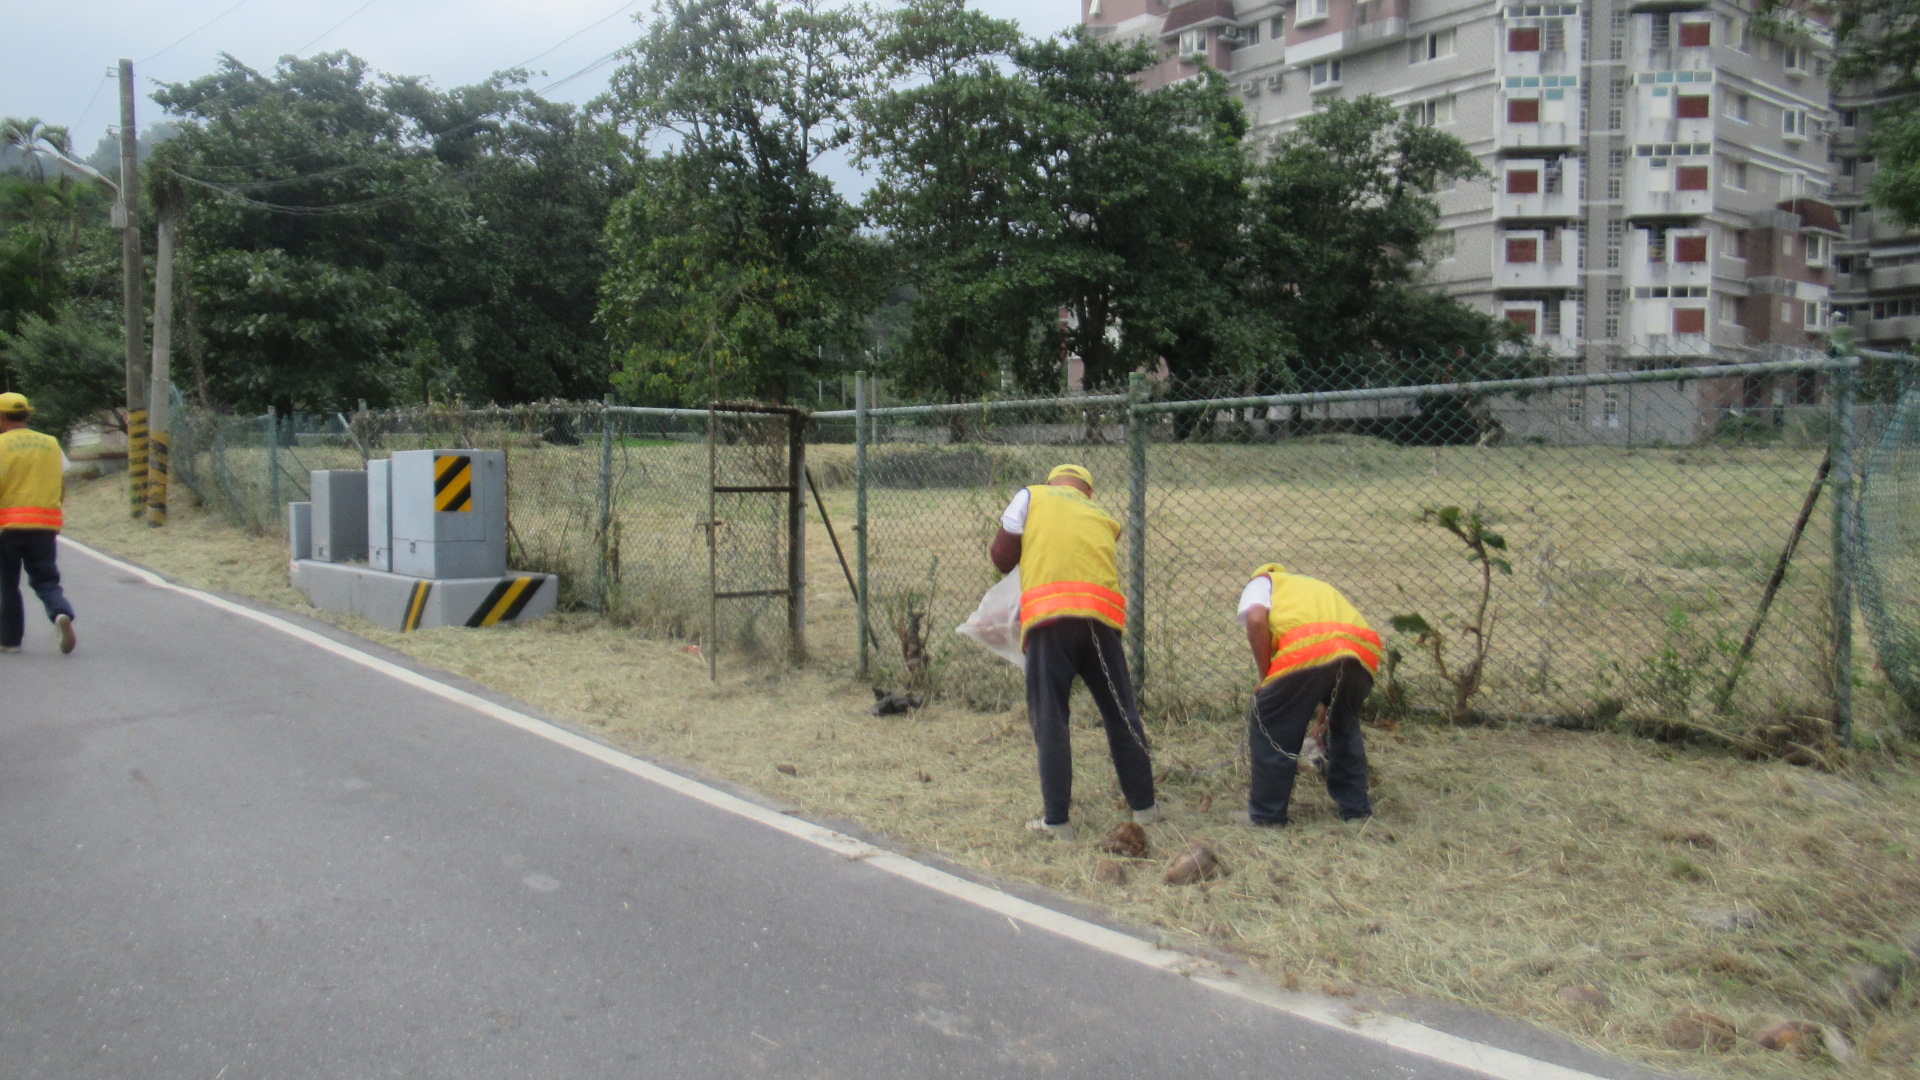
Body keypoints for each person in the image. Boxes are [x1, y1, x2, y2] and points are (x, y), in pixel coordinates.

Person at [989, 464, 1158, 839]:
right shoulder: (1101, 516)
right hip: (1102, 620)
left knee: (1051, 717)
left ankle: (1058, 822)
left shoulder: (1032, 495)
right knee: (1120, 712)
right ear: (1088, 492)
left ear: (1051, 484)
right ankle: (1145, 807)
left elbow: (1001, 559)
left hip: (1051, 621)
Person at [1235, 562, 1378, 825]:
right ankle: (1356, 811)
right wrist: (1323, 720)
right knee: (1345, 726)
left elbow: (1256, 619)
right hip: (1363, 653)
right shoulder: (1316, 587)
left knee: (1271, 722)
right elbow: (1333, 663)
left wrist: (1266, 677)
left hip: (1307, 650)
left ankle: (1267, 816)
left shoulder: (1262, 582)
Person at [0, 392, 77, 655]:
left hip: (6, 526)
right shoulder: (51, 443)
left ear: (1, 417)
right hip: (44, 525)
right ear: (27, 414)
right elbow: (61, 482)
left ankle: (10, 641)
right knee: (46, 580)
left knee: (6, 584)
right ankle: (60, 613)